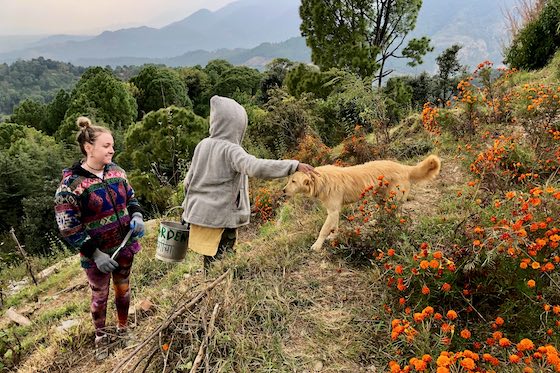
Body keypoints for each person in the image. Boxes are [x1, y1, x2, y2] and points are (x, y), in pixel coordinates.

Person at [181, 95, 317, 272]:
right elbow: (255, 166)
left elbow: (188, 181)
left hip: (199, 215)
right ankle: (220, 290)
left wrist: (186, 209)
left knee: (210, 256)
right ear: (237, 125)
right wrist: (293, 165)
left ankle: (211, 284)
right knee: (222, 259)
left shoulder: (202, 145)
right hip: (222, 216)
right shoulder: (231, 150)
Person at [54, 117, 145, 360]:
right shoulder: (70, 185)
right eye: (106, 146)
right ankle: (101, 338)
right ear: (88, 148)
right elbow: (68, 227)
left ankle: (123, 329)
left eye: (112, 145)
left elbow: (132, 199)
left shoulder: (117, 172)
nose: (112, 150)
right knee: (100, 296)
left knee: (123, 290)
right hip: (98, 256)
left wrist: (136, 216)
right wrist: (95, 254)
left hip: (124, 245)